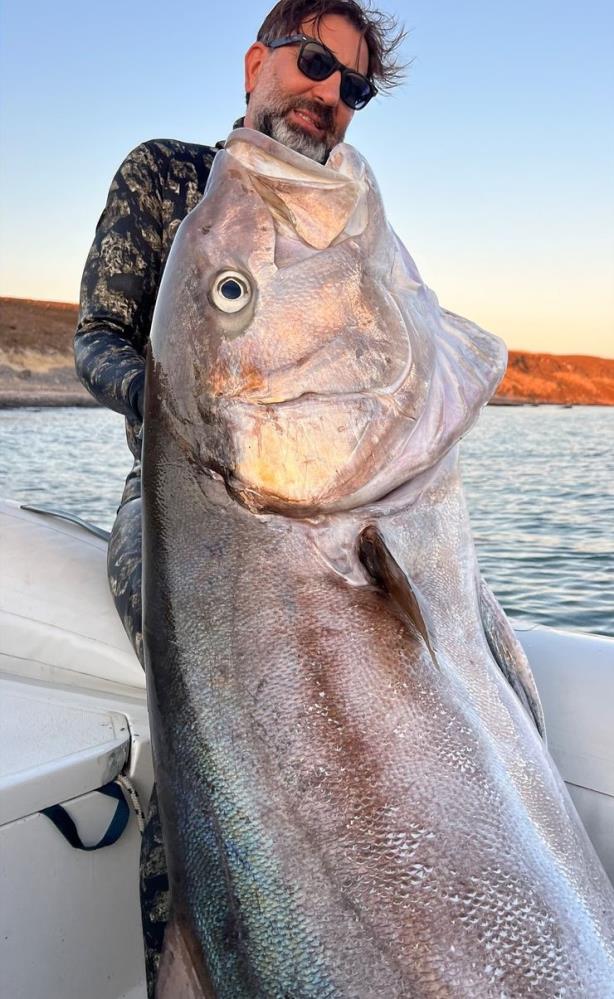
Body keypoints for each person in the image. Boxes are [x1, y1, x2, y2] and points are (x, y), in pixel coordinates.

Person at [74, 0, 405, 991]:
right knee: (211, 712)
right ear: (258, 60)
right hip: (185, 501)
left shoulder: (351, 228)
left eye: (354, 86)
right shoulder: (167, 174)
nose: (330, 96)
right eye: (314, 63)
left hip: (331, 510)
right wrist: (186, 410)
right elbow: (96, 339)